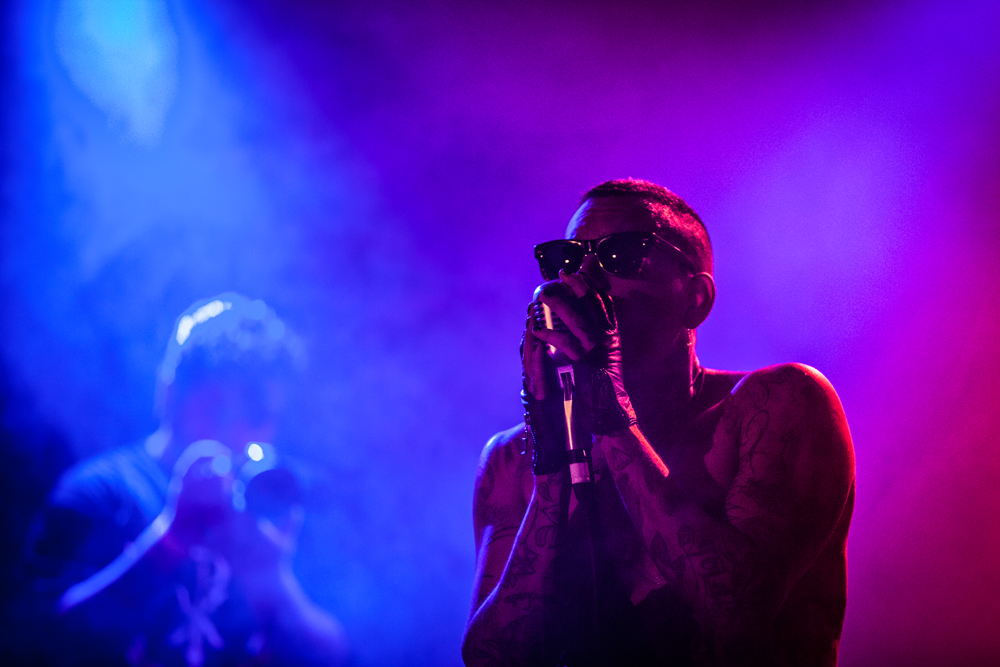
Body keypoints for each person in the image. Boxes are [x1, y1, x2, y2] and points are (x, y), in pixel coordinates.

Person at [462, 179, 855, 666]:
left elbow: (741, 617)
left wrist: (612, 416)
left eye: (622, 254)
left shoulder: (777, 404)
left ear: (696, 298)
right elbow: (490, 658)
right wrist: (552, 471)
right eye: (568, 258)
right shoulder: (512, 457)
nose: (583, 278)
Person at [20, 293, 349, 666]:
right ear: (171, 393)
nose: (244, 434)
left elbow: (339, 655)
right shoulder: (98, 493)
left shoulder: (268, 510)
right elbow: (36, 644)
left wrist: (276, 585)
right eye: (223, 409)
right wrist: (171, 540)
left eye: (260, 416)